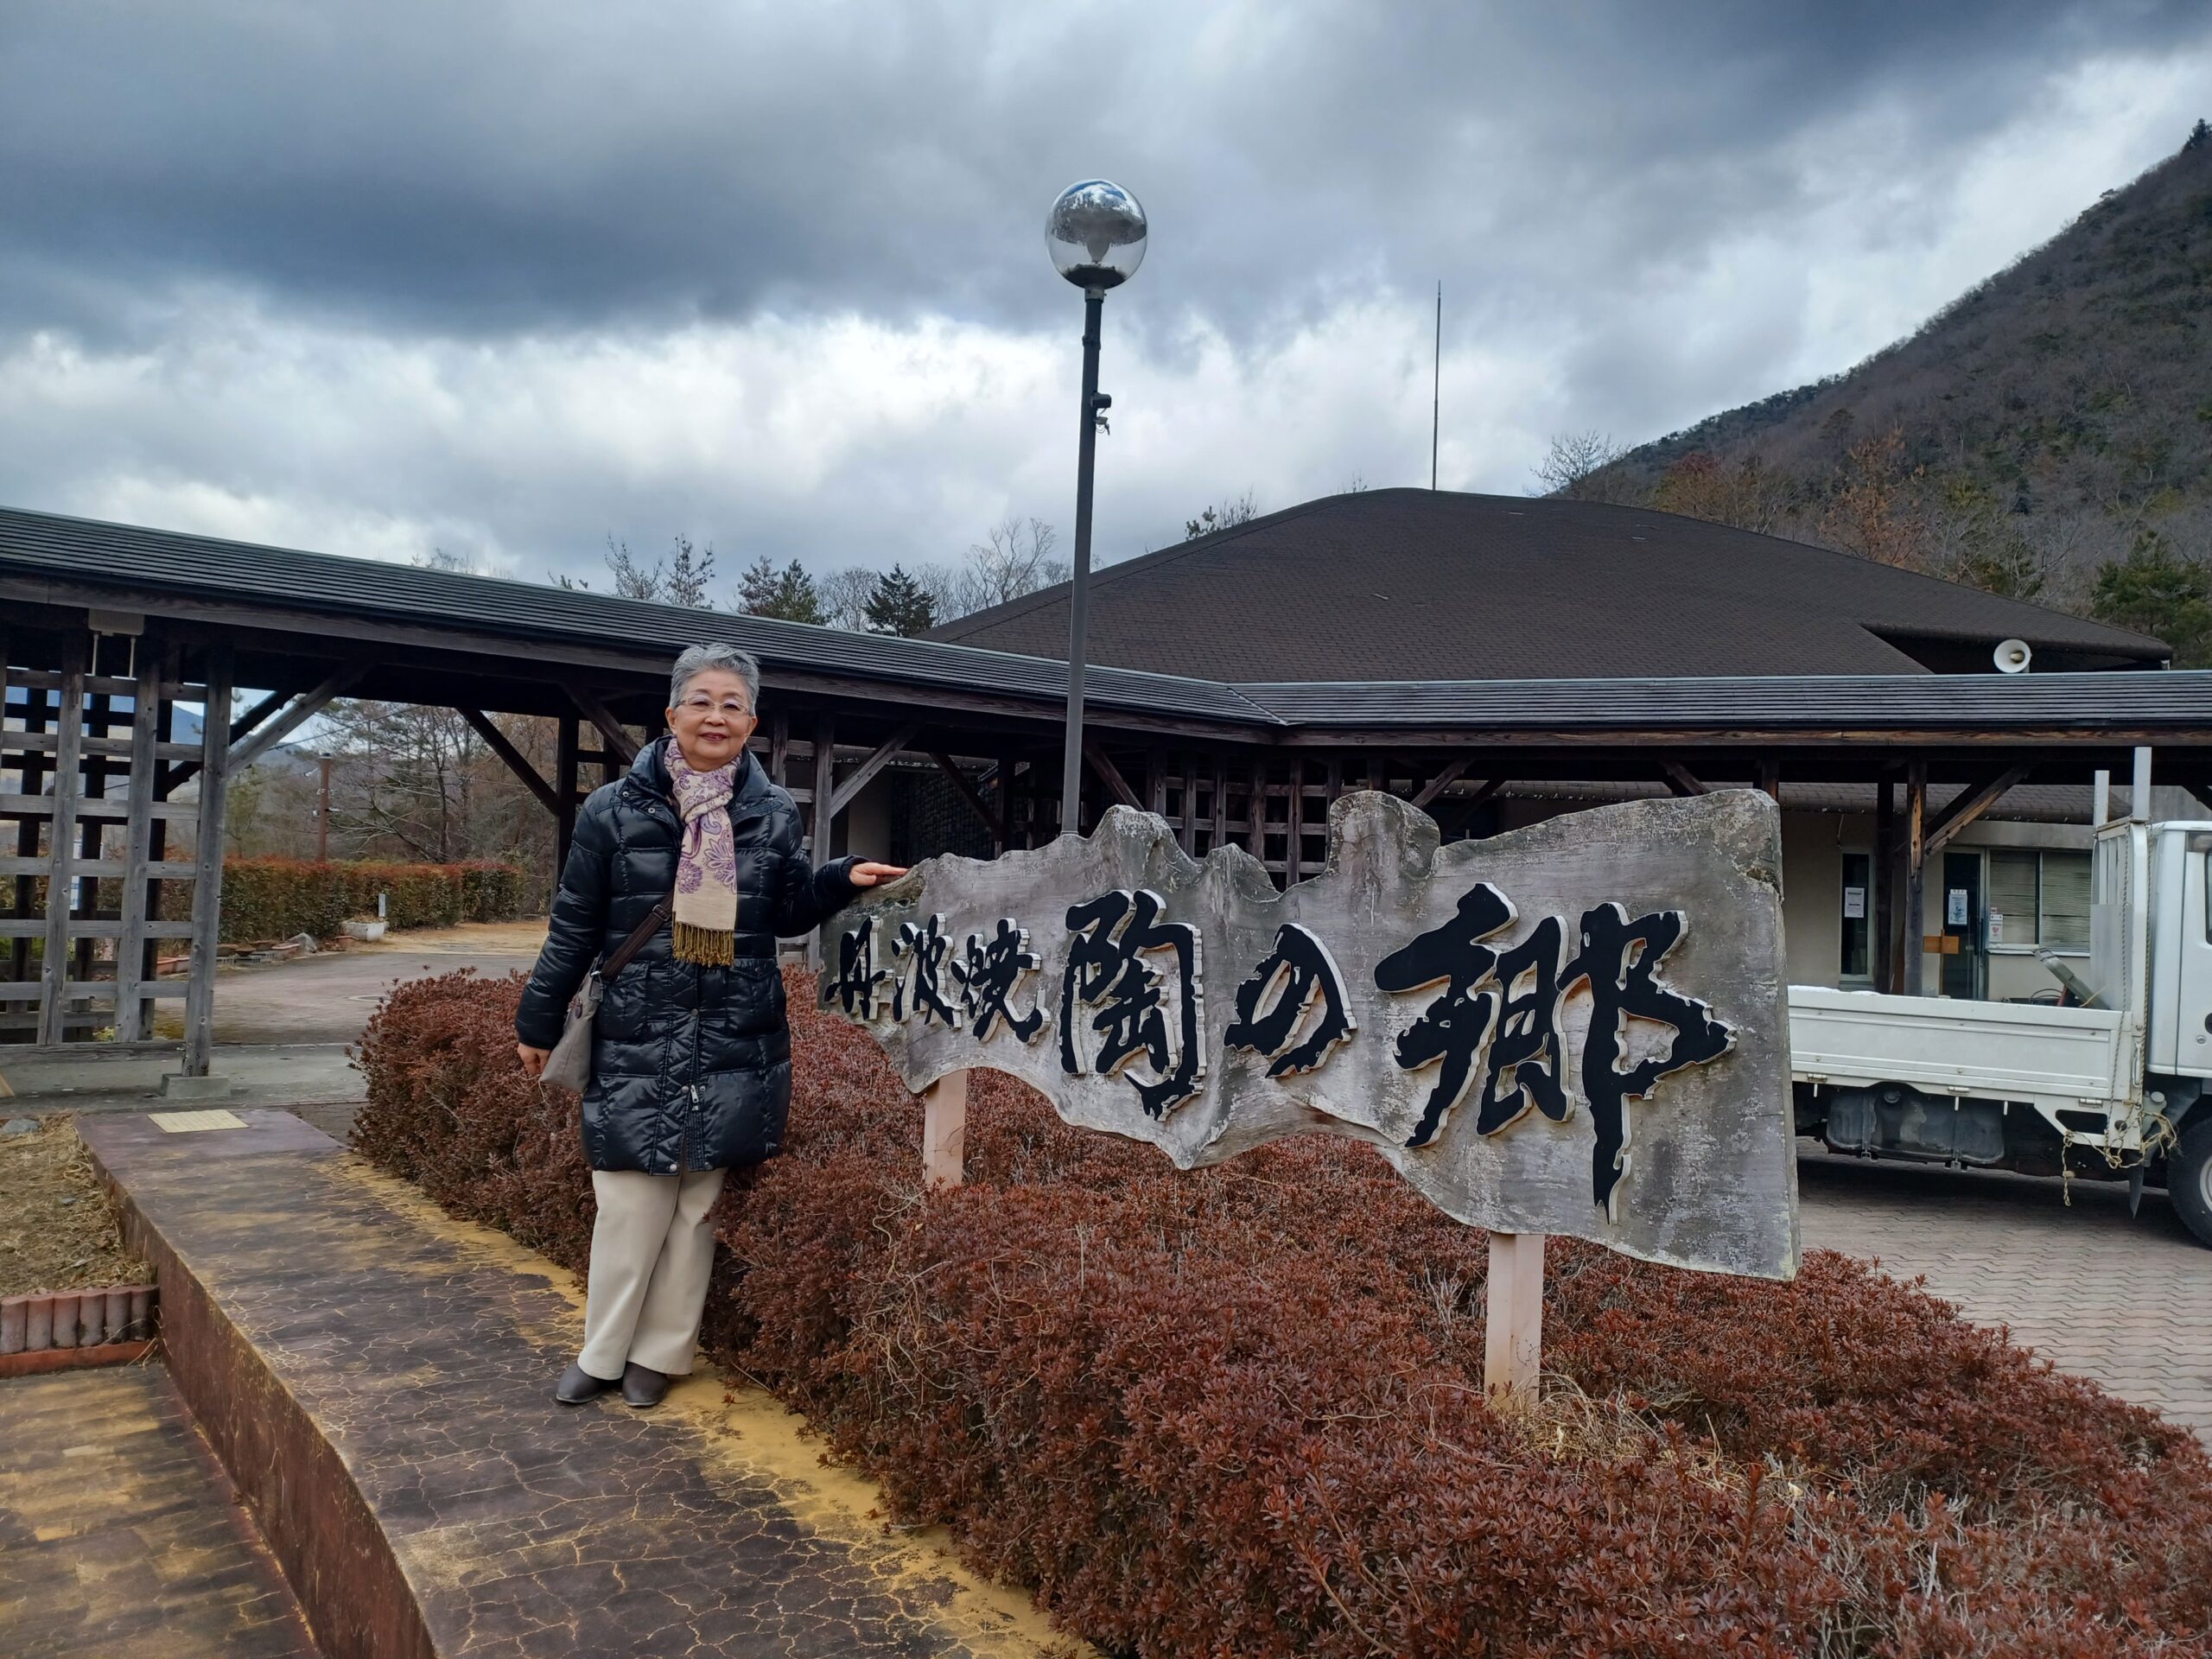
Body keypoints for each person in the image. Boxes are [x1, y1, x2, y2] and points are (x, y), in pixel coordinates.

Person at [514, 643, 905, 1408]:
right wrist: (538, 1014)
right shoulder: (613, 811)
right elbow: (574, 925)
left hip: (734, 1023)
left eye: (732, 704)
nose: (715, 715)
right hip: (638, 1022)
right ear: (671, 715)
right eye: (701, 700)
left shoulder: (770, 811)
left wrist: (837, 879)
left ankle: (660, 1355)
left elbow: (786, 907)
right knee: (628, 1196)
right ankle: (602, 1353)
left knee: (696, 1202)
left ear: (751, 722)